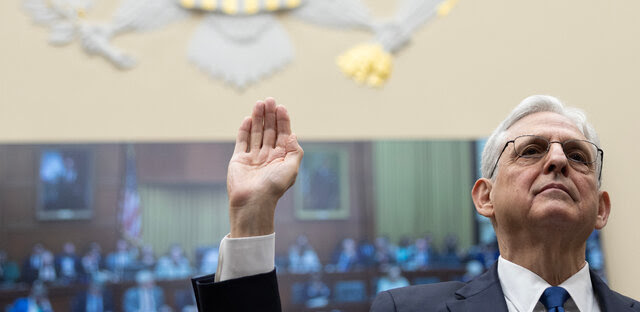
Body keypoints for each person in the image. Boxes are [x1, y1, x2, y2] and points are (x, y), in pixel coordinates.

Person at [190, 96, 639, 311]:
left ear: (601, 208)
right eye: (531, 150)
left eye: (577, 155)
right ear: (485, 197)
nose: (558, 160)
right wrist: (251, 217)